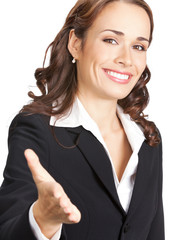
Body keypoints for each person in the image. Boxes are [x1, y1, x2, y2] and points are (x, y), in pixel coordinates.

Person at [0, 0, 165, 239]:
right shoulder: (37, 130)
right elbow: (6, 230)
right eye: (111, 40)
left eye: (139, 46)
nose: (127, 59)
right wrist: (42, 220)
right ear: (76, 44)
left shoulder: (148, 139)